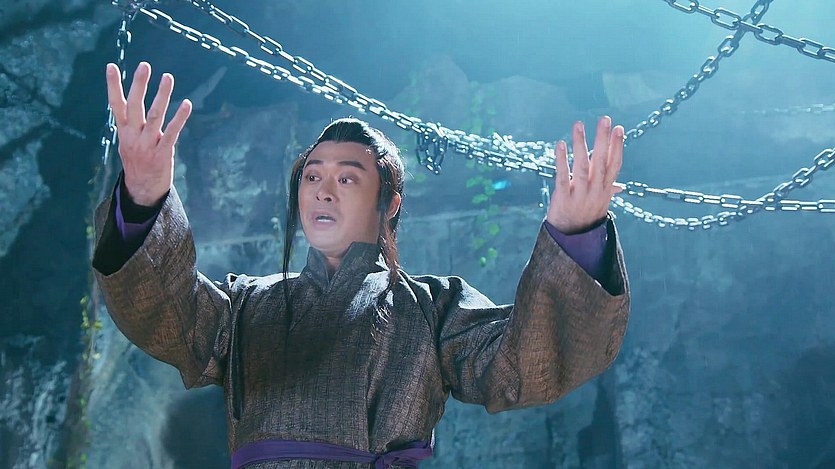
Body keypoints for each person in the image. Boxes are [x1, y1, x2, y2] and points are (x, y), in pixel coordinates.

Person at [92, 61, 630, 469]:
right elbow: (164, 314)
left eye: (347, 177)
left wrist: (575, 235)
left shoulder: (432, 309)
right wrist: (143, 196)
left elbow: (525, 364)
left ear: (388, 202)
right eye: (312, 176)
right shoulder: (245, 306)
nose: (323, 191)